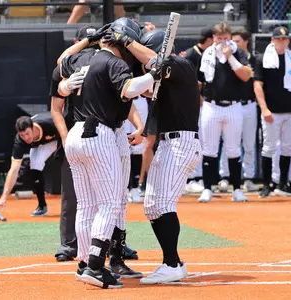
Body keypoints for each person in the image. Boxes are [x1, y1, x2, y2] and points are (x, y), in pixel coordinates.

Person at [58, 23, 159, 288]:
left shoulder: (84, 57)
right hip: (99, 135)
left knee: (86, 204)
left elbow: (62, 64)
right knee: (111, 203)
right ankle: (94, 265)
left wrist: (64, 85)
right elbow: (128, 90)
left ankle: (83, 264)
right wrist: (153, 76)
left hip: (75, 135)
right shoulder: (114, 63)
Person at [124, 29, 201, 284]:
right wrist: (143, 132)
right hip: (169, 143)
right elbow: (149, 93)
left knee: (163, 205)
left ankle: (171, 263)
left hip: (182, 143)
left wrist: (127, 40)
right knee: (152, 205)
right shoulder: (165, 76)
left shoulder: (181, 65)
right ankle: (172, 262)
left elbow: (156, 63)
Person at [51, 25, 99, 262]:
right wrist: (64, 136)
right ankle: (69, 244)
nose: (90, 45)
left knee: (107, 194)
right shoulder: (66, 69)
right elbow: (56, 109)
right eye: (84, 41)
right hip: (74, 134)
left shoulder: (105, 63)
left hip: (103, 134)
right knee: (71, 194)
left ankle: (112, 243)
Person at [198, 22, 252, 203]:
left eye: (226, 38)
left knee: (233, 149)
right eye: (219, 38)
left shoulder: (238, 52)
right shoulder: (208, 54)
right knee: (209, 149)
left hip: (233, 106)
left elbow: (245, 75)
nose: (222, 42)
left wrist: (230, 58)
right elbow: (201, 80)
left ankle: (237, 189)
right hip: (211, 106)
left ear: (230, 37)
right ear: (213, 38)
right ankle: (207, 188)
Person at [254, 26, 291, 197]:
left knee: (287, 147)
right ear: (272, 40)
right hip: (272, 110)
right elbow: (257, 85)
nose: (282, 42)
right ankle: (266, 184)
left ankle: (283, 183)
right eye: (278, 39)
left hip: (290, 109)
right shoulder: (263, 59)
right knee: (269, 148)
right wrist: (264, 109)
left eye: (285, 39)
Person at [0, 114, 59, 217]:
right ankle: (42, 206)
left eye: (27, 133)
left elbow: (65, 127)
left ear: (33, 128)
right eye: (22, 135)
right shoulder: (20, 141)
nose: (26, 138)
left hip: (62, 134)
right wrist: (3, 198)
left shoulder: (49, 123)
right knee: (35, 163)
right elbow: (13, 170)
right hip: (43, 143)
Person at [217, 29, 260, 193]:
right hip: (231, 105)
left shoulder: (253, 59)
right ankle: (225, 177)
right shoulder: (222, 57)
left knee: (249, 143)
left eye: (237, 41)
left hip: (248, 104)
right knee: (228, 143)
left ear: (246, 42)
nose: (232, 44)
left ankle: (248, 177)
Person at [178, 27, 214, 195]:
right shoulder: (191, 54)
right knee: (192, 140)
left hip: (201, 103)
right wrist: (197, 99)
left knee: (201, 141)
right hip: (191, 103)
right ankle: (190, 178)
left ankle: (197, 177)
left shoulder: (206, 53)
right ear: (208, 39)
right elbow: (190, 82)